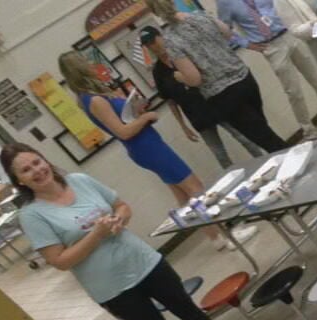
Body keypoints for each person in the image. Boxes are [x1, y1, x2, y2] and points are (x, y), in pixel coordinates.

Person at [1, 144, 259, 320]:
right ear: (19, 181)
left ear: (45, 159)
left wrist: (120, 218)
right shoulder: (32, 215)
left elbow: (121, 206)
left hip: (145, 261)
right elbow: (59, 261)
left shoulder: (80, 181)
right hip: (112, 287)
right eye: (26, 170)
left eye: (37, 161)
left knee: (188, 310)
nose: (37, 170)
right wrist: (97, 235)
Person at [58, 52, 230, 251]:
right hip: (145, 147)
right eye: (85, 61)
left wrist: (135, 112)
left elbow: (123, 121)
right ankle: (226, 233)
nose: (90, 63)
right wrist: (146, 117)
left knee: (183, 194)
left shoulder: (93, 96)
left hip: (148, 144)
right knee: (195, 188)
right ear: (79, 68)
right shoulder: (94, 100)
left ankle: (215, 238)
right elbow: (122, 132)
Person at [145, 0, 289, 154]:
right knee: (263, 130)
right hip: (244, 79)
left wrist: (179, 77)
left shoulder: (171, 41)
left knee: (268, 140)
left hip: (223, 94)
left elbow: (194, 79)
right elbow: (227, 33)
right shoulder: (201, 16)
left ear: (155, 12)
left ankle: (298, 161)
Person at [140, 25, 265, 170]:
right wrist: (183, 127)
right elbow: (171, 101)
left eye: (153, 41)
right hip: (198, 117)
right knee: (220, 154)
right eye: (148, 45)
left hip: (216, 103)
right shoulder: (158, 72)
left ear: (160, 36)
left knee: (244, 138)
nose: (153, 47)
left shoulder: (182, 54)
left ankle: (264, 162)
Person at [216, 0, 317, 140]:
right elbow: (224, 30)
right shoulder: (225, 3)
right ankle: (309, 131)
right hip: (272, 47)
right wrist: (247, 44)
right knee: (293, 91)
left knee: (316, 78)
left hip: (288, 35)